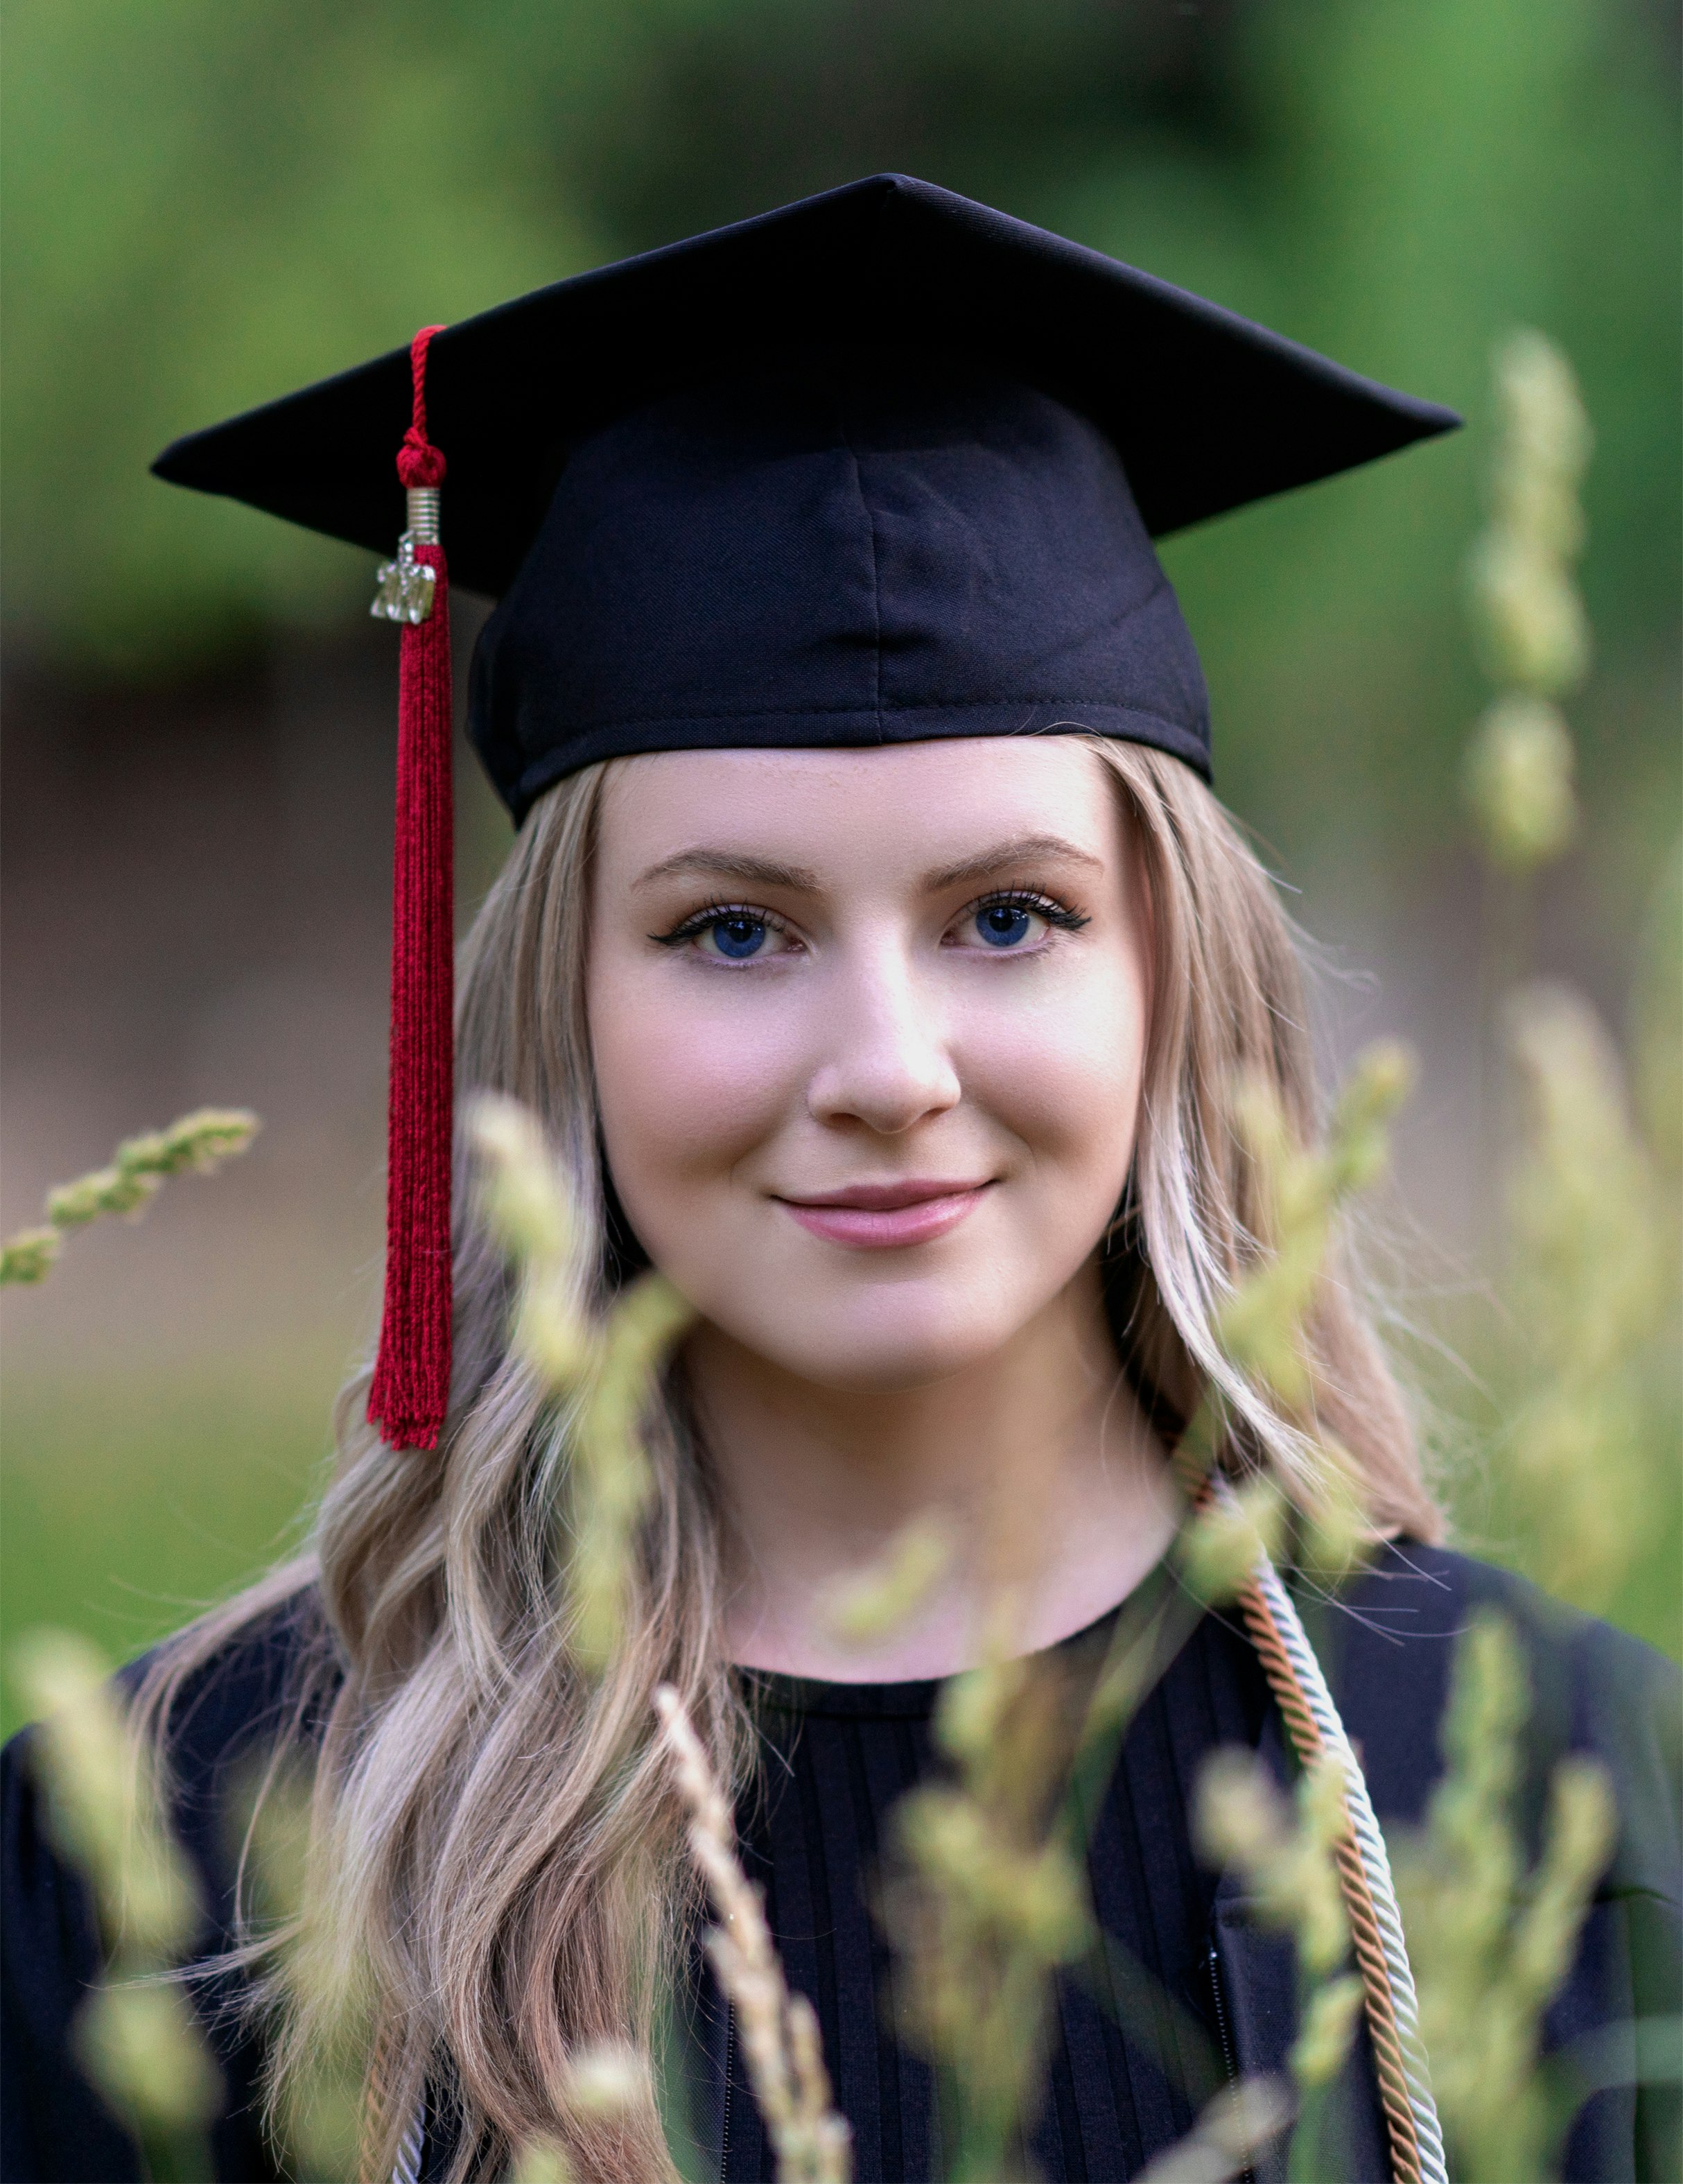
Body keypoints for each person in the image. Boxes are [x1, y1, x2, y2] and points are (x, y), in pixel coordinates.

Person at [2, 175, 1677, 2184]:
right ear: (556, 1022)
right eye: (733, 932)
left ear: (1171, 980)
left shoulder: (1557, 1791)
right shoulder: (195, 1854)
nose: (887, 1070)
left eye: (1006, 916)